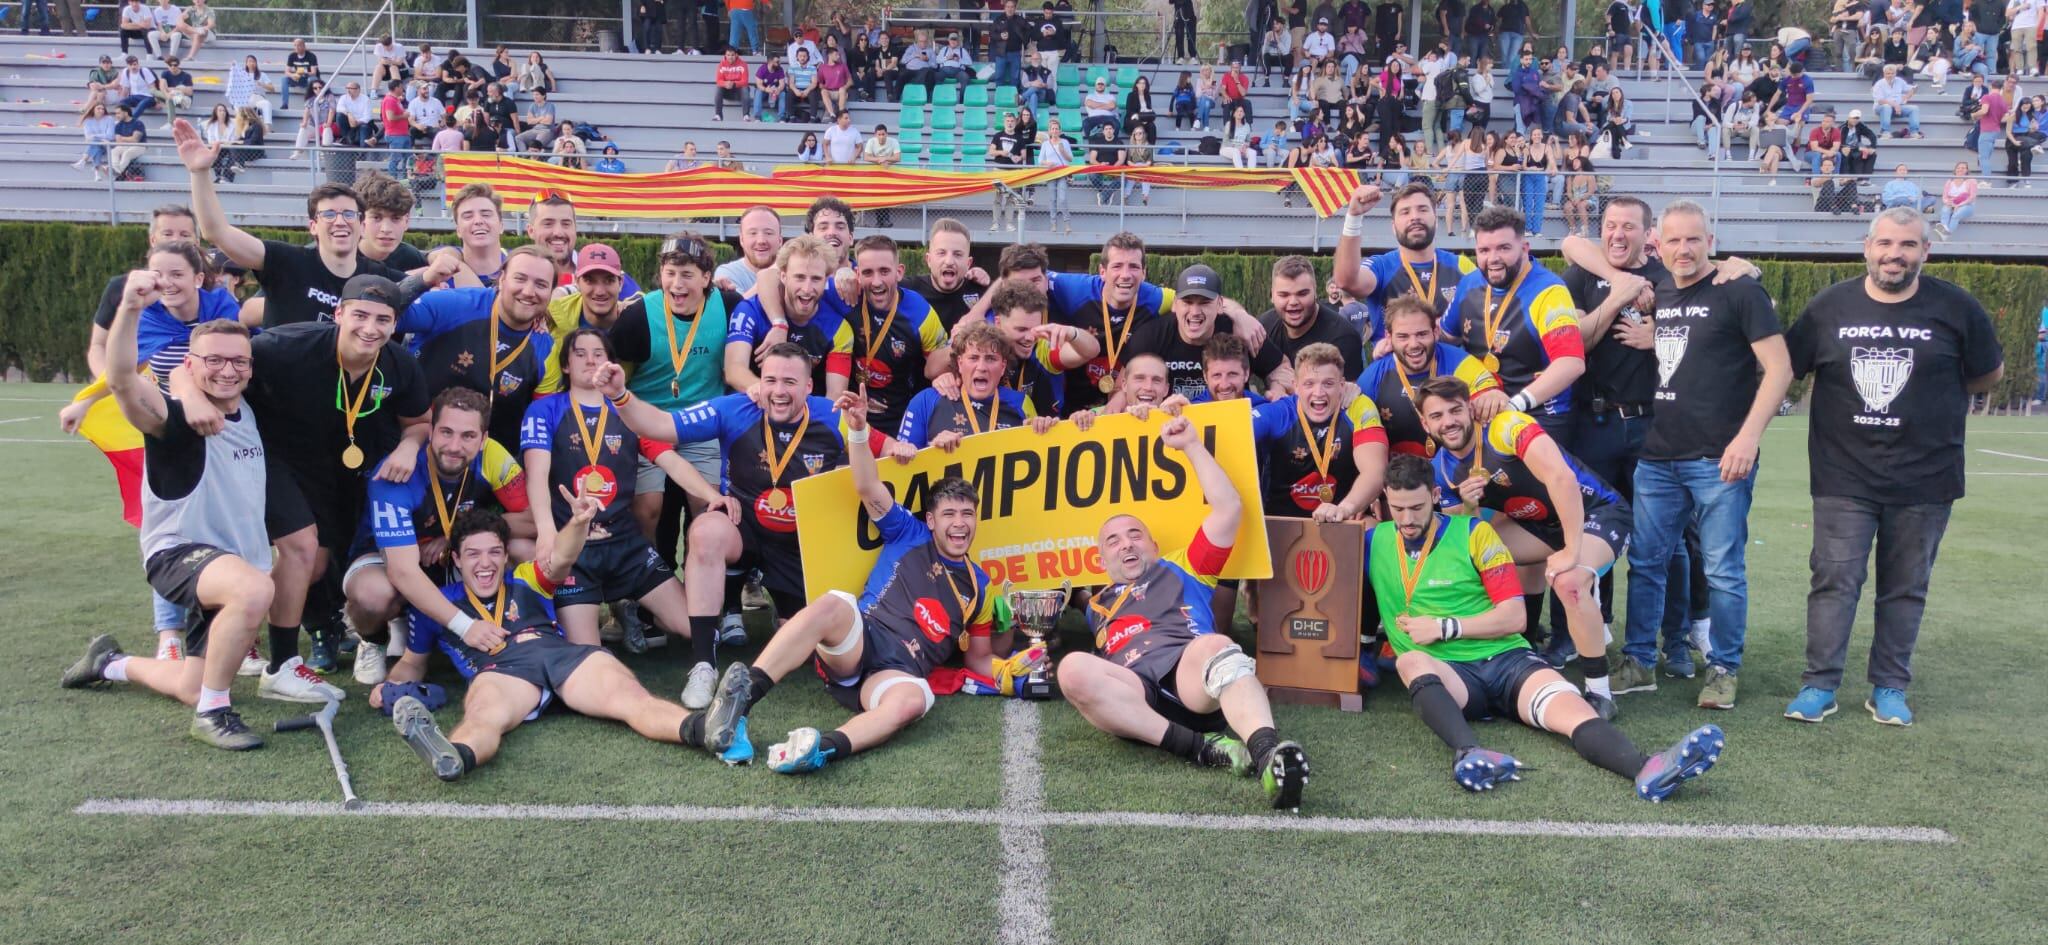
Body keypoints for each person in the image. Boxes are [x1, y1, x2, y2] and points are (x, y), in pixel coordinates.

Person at [1371, 453, 1727, 799]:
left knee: (1572, 712)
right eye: (1398, 508)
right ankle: (1470, 753)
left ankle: (1646, 769)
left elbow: (1514, 617)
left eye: (1416, 508)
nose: (1407, 519)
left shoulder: (1474, 533)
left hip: (1506, 661)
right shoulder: (1374, 540)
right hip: (1451, 677)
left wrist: (1444, 627)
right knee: (1410, 661)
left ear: (1434, 497)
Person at [1782, 208, 2003, 727]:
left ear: (1925, 251)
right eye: (1884, 243)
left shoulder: (1956, 307)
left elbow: (1987, 374)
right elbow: (1787, 368)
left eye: (1907, 245)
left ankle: (1889, 686)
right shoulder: (1828, 307)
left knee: (1905, 585)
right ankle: (1819, 685)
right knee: (1834, 578)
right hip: (1843, 474)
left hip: (1926, 476)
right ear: (1867, 247)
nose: (1894, 254)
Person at [378, 501, 752, 781]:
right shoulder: (436, 604)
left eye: (494, 552)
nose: (485, 563)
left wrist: (577, 522)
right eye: (473, 554)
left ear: (506, 555)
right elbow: (413, 661)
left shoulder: (525, 579)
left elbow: (561, 559)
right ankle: (454, 755)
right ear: (456, 559)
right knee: (483, 714)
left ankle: (706, 728)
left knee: (632, 699)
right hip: (501, 672)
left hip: (564, 658)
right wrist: (390, 687)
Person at [61, 280, 277, 750]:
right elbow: (121, 379)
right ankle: (215, 713)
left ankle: (110, 663)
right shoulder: (173, 417)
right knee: (255, 589)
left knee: (189, 685)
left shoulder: (249, 410)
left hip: (233, 564)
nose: (227, 370)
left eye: (238, 361)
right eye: (214, 360)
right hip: (181, 554)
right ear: (189, 364)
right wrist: (131, 309)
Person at [1057, 409, 1311, 810]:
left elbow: (1228, 508)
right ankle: (1202, 750)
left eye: (1134, 535)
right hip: (1135, 698)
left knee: (1214, 644)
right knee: (1071, 668)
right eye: (1113, 541)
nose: (1125, 544)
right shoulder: (1095, 603)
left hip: (1191, 677)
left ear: (1154, 545)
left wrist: (1192, 445)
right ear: (1101, 558)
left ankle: (1267, 754)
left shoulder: (1182, 566)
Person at [1600, 202, 1789, 711]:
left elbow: (1779, 370)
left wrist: (1748, 438)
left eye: (1693, 240)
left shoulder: (1739, 289)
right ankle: (1639, 660)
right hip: (1659, 454)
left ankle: (1723, 668)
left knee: (1724, 569)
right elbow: (1691, 343)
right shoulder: (1659, 290)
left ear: (1711, 239)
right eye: (1673, 241)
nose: (1683, 250)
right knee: (1645, 562)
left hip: (1719, 456)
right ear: (1658, 245)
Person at [520, 328, 725, 688]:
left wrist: (711, 496)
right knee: (587, 659)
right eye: (579, 353)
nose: (589, 360)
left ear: (611, 363)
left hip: (625, 545)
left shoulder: (630, 410)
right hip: (575, 551)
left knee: (694, 627)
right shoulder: (544, 409)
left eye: (598, 353)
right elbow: (537, 475)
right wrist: (548, 533)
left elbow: (670, 461)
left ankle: (634, 610)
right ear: (566, 364)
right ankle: (573, 628)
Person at [1416, 375, 1631, 717]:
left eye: (1455, 410)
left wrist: (1572, 550)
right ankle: (1520, 649)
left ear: (1470, 408)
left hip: (1598, 512)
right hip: (1539, 524)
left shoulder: (1505, 426)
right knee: (1475, 552)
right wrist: (1470, 508)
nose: (1449, 422)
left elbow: (1562, 478)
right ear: (1424, 423)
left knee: (1569, 580)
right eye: (1437, 416)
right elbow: (1461, 532)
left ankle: (1599, 693)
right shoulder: (1442, 467)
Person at [1440, 205, 1584, 453]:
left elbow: (1571, 362)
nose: (1493, 258)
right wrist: (1397, 342)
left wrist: (1515, 405)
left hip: (1539, 414)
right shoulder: (1470, 283)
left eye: (1503, 248)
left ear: (1525, 249)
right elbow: (1444, 336)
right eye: (1484, 250)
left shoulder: (1550, 291)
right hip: (1484, 410)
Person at [1357, 295, 1506, 457]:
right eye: (1403, 336)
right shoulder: (1373, 377)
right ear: (1388, 337)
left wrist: (1493, 396)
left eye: (1421, 334)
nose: (1413, 344)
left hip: (1457, 472)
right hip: (1403, 477)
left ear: (1435, 332)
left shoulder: (1461, 363)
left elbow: (1491, 395)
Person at [1333, 182, 1476, 349]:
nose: (1414, 217)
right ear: (1393, 227)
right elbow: (1346, 281)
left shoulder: (1462, 266)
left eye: (1422, 209)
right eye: (1405, 212)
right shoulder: (1381, 266)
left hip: (1452, 372)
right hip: (1395, 371)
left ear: (1436, 221)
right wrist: (1354, 217)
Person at [1260, 255, 1364, 379]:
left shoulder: (1343, 337)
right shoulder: (1263, 329)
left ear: (1315, 292)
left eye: (1302, 293)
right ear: (1272, 295)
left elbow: (1348, 395)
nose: (1293, 302)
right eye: (1284, 295)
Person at [1937, 162, 1979, 238]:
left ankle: (1945, 234)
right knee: (1945, 211)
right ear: (1955, 170)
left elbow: (1972, 197)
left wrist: (1959, 205)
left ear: (1967, 170)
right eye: (1958, 168)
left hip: (1966, 204)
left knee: (1956, 215)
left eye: (1963, 168)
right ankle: (1944, 233)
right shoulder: (1949, 182)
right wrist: (1949, 203)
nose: (1960, 169)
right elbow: (1944, 197)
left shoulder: (1971, 181)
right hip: (1952, 203)